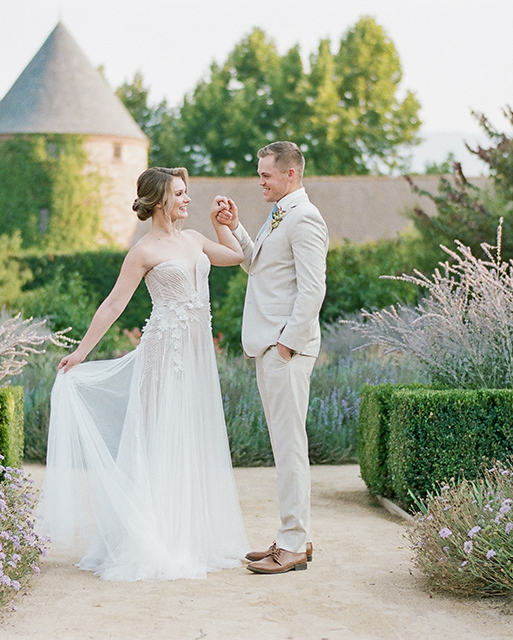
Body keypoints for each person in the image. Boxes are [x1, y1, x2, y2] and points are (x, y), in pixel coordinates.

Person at [36, 167, 250, 581]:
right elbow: (113, 305)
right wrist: (82, 351)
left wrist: (222, 226)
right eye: (181, 193)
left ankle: (190, 535)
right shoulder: (143, 251)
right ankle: (154, 539)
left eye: (188, 193)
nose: (188, 199)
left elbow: (236, 257)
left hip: (196, 354)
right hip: (163, 354)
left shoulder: (193, 239)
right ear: (159, 201)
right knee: (160, 436)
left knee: (191, 435)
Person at [215, 141, 329, 574]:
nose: (259, 180)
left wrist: (287, 343)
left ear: (290, 175)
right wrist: (236, 226)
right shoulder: (280, 214)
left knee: (289, 446)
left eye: (265, 174)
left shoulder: (305, 218)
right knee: (284, 445)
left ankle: (294, 544)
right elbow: (255, 264)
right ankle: (291, 537)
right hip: (272, 346)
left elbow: (313, 288)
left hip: (286, 349)